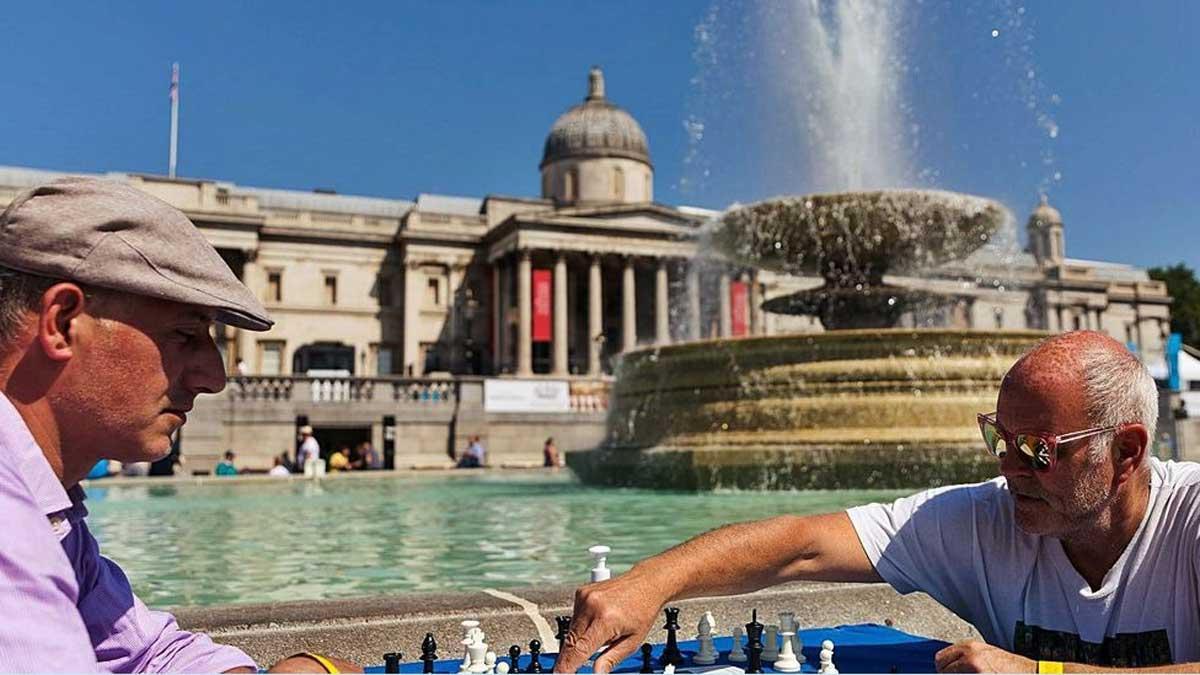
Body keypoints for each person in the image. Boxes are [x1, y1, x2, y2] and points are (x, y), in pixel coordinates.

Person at [555, 331, 1200, 673]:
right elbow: (802, 547)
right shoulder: (986, 519)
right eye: (996, 439)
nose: (1007, 467)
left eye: (1036, 449)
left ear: (1126, 453)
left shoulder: (1191, 517)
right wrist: (652, 583)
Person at [0, 178, 359, 672]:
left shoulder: (53, 515)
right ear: (62, 323)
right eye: (185, 334)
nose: (214, 377)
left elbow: (148, 654)